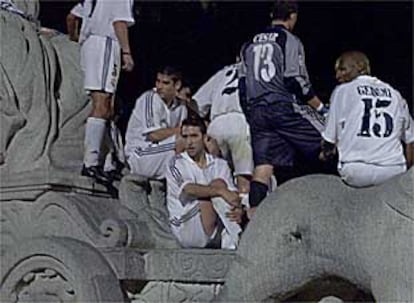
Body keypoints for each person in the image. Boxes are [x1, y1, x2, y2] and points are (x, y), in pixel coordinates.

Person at [239, 0, 329, 217]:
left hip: (257, 110)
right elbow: (293, 79)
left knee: (263, 168)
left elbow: (242, 86)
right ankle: (337, 202)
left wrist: (250, 113)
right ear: (293, 16)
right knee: (329, 139)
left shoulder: (248, 44)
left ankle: (254, 222)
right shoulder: (289, 40)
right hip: (284, 106)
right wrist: (320, 107)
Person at [320, 51, 414, 187]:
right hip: (392, 172)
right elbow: (411, 141)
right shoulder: (395, 94)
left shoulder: (343, 91)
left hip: (356, 171)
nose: (338, 75)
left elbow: (329, 140)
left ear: (360, 66)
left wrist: (325, 154)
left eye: (342, 69)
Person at [79, 0, 135, 185]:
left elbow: (73, 16)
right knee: (102, 103)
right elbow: (119, 22)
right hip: (105, 43)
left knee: (107, 106)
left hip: (91, 43)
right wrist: (126, 52)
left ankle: (109, 162)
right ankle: (91, 162)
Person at [166, 116, 243, 249]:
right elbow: (189, 189)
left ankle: (230, 240)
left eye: (194, 136)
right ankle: (236, 238)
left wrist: (238, 210)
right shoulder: (176, 163)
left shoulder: (220, 164)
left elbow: (233, 197)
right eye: (185, 137)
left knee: (219, 184)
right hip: (186, 225)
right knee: (215, 188)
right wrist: (220, 191)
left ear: (205, 138)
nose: (189, 142)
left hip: (213, 220)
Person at [193, 63, 253, 195]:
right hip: (242, 123)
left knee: (218, 178)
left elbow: (196, 105)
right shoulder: (256, 67)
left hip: (216, 126)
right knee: (244, 181)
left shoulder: (223, 72)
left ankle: (223, 212)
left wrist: (204, 127)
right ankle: (245, 211)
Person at [124, 66, 187, 180]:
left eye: (165, 83)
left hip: (162, 152)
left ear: (177, 85)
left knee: (201, 141)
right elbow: (153, 135)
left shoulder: (181, 106)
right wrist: (183, 130)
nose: (159, 87)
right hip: (140, 154)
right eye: (158, 81)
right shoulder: (150, 98)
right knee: (184, 140)